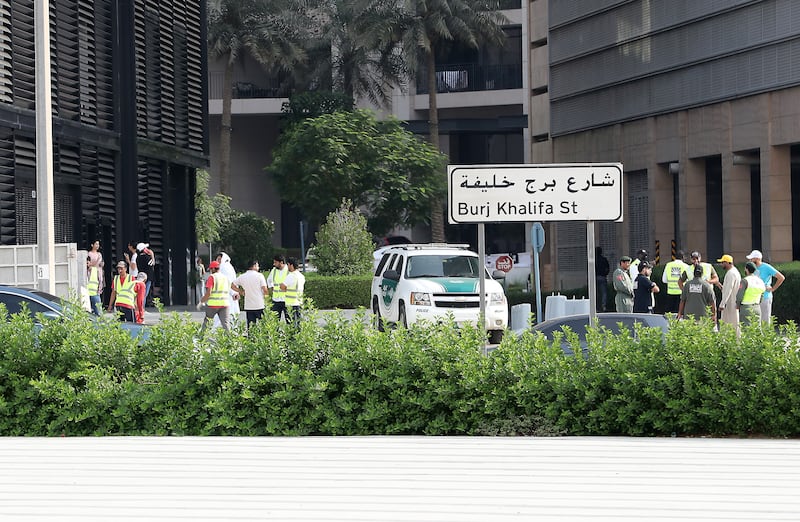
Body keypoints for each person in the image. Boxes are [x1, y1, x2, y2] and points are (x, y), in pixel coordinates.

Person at [746, 250, 785, 326]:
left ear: (757, 259)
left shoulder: (766, 267)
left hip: (765, 297)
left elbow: (781, 277)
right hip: (754, 297)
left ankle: (766, 337)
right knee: (755, 320)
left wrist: (772, 289)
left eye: (752, 259)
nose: (750, 260)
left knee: (765, 320)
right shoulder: (752, 268)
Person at [231, 260, 268, 330]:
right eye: (257, 265)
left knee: (251, 326)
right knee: (263, 326)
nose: (258, 267)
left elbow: (232, 285)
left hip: (249, 305)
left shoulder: (243, 276)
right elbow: (265, 289)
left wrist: (241, 292)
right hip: (259, 304)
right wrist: (266, 298)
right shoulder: (260, 276)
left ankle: (251, 339)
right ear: (254, 266)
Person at [198, 260, 231, 334]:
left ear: (213, 269)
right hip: (225, 304)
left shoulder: (212, 277)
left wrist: (202, 301)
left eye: (210, 269)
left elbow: (208, 293)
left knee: (207, 323)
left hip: (213, 305)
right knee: (225, 324)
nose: (210, 271)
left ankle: (201, 339)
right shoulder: (225, 278)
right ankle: (230, 342)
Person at [715, 254, 741, 334]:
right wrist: (719, 285)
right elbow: (728, 288)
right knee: (733, 323)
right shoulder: (734, 272)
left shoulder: (731, 273)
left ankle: (733, 343)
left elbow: (729, 290)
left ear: (727, 262)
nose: (721, 264)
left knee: (729, 324)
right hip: (732, 302)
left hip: (729, 304)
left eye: (723, 262)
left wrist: (722, 304)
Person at [737, 261, 766, 328]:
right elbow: (762, 294)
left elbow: (740, 295)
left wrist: (737, 305)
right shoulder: (760, 281)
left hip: (746, 308)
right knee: (757, 329)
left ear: (746, 269)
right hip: (757, 307)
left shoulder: (745, 281)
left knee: (746, 329)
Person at [214, 252, 240, 327]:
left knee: (225, 315)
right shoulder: (225, 267)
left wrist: (233, 293)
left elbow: (228, 282)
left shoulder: (225, 268)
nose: (218, 261)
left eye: (219, 259)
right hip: (225, 295)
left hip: (227, 295)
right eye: (217, 259)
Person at [280, 257, 306, 325]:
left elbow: (282, 286)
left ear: (291, 265)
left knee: (291, 324)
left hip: (291, 304)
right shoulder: (301, 276)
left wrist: (285, 289)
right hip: (299, 302)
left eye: (288, 265)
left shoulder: (291, 276)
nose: (287, 267)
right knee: (298, 323)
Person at [267, 254, 289, 321]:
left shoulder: (288, 270)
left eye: (275, 262)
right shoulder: (274, 270)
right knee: (274, 321)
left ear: (281, 262)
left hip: (286, 300)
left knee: (289, 320)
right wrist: (271, 287)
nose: (274, 264)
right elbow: (269, 280)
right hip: (276, 300)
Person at [135, 242, 155, 307]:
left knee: (141, 293)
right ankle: (141, 308)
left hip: (140, 276)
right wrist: (152, 255)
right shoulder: (147, 258)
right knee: (144, 294)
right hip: (147, 277)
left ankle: (140, 307)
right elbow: (153, 263)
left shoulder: (137, 258)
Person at [594, 247, 610, 312]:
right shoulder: (604, 259)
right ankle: (603, 306)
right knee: (603, 293)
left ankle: (596, 307)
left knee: (595, 293)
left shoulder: (593, 260)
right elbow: (607, 268)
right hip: (603, 277)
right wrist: (605, 273)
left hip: (595, 277)